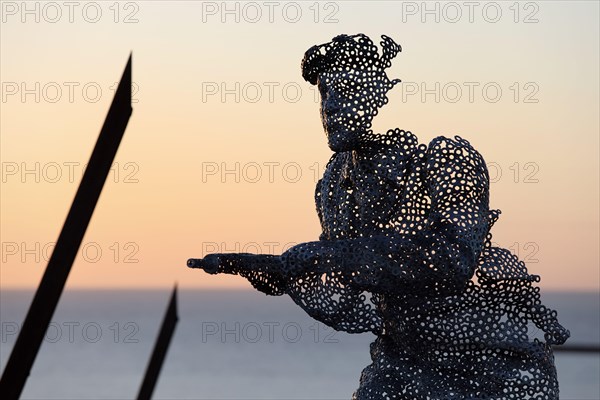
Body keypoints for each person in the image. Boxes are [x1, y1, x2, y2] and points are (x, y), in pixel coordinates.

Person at [188, 33, 569, 400]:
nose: (332, 108)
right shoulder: (337, 185)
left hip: (488, 367)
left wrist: (324, 257)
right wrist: (278, 270)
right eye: (325, 96)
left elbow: (452, 262)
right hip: (401, 359)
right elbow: (346, 286)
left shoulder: (446, 162)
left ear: (374, 95)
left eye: (346, 92)